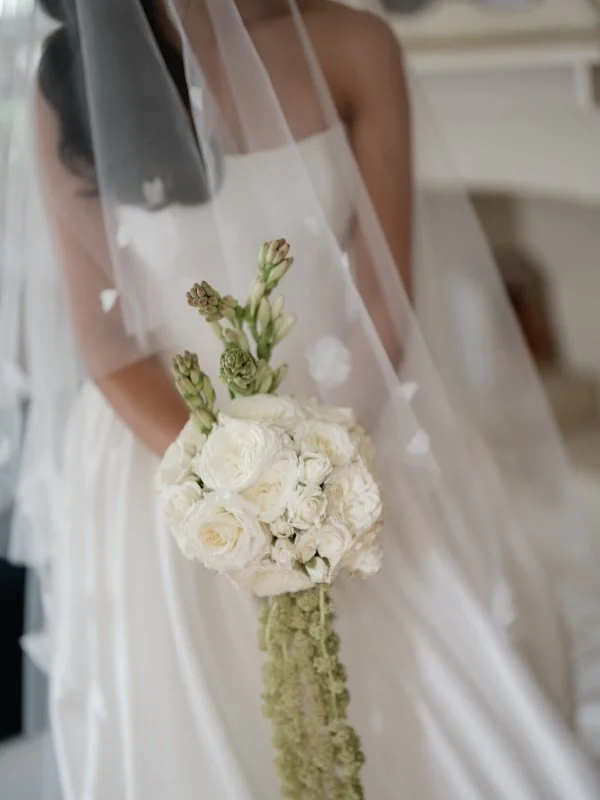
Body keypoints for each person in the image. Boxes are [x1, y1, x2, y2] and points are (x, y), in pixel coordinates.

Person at [2, 0, 600, 797]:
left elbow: (384, 306)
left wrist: (314, 486)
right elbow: (108, 349)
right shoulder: (69, 82)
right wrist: (236, 490)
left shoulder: (357, 44)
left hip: (351, 439)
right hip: (165, 457)